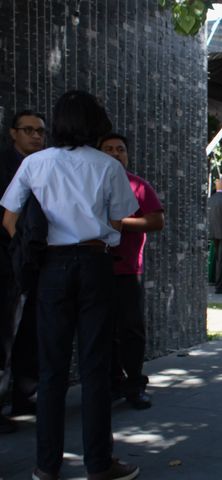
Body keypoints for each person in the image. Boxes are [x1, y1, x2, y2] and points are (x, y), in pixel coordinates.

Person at [1, 91, 140, 480]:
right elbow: (120, 220)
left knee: (52, 371)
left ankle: (47, 466)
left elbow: (9, 219)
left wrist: (31, 248)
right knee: (95, 369)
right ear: (94, 122)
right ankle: (99, 465)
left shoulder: (34, 163)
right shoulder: (107, 165)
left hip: (50, 268)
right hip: (95, 263)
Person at [99, 133, 165, 410]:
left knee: (131, 331)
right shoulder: (88, 183)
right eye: (109, 149)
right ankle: (111, 384)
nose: (115, 154)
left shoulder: (138, 185)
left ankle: (135, 384)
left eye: (120, 149)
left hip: (127, 270)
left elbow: (156, 220)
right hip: (94, 269)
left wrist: (119, 223)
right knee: (102, 331)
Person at [0, 110, 46, 433]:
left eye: (40, 131)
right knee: (3, 335)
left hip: (35, 263)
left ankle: (24, 395)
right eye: (28, 130)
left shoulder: (45, 166)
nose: (35, 136)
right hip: (6, 262)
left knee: (29, 332)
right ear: (13, 133)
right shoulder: (4, 165)